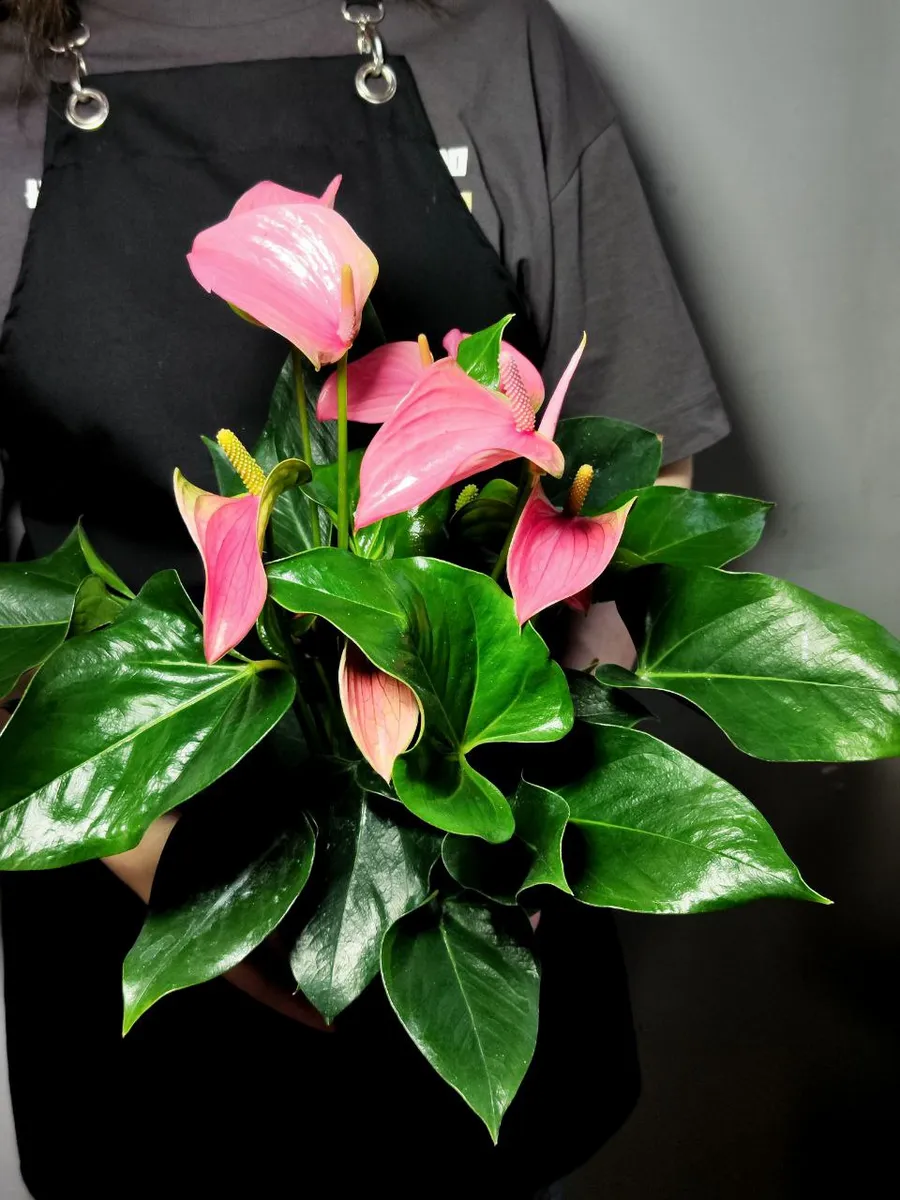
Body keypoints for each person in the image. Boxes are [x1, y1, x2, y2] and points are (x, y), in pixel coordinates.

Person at [0, 2, 729, 1196]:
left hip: (479, 889)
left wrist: (497, 835)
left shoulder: (493, 41)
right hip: (133, 921)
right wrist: (208, 892)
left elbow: (636, 478)